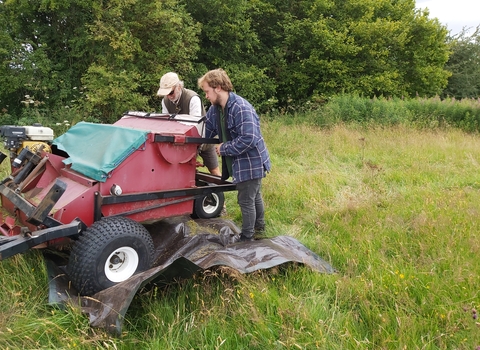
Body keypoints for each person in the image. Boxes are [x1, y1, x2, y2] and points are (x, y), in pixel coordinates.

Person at [197, 68, 271, 242]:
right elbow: (206, 129)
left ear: (218, 87)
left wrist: (224, 148)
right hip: (238, 160)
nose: (206, 96)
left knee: (246, 200)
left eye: (207, 91)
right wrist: (194, 148)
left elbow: (249, 138)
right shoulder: (216, 109)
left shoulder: (241, 108)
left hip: (251, 161)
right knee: (254, 195)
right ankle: (259, 227)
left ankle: (247, 237)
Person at [157, 72, 221, 177]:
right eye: (166, 93)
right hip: (181, 143)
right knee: (184, 172)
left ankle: (219, 192)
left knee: (215, 172)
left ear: (179, 87)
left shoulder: (193, 99)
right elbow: (167, 125)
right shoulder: (165, 101)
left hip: (203, 140)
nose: (168, 96)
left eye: (171, 92)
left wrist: (192, 154)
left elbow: (196, 128)